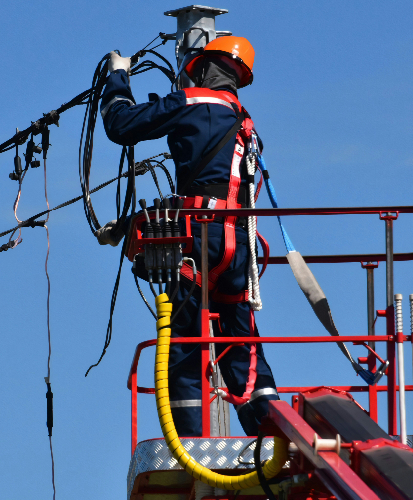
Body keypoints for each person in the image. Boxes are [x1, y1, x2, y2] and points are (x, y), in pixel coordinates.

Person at [97, 36, 279, 437]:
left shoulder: (191, 103)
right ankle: (273, 432)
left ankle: (194, 444)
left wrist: (117, 76)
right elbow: (218, 188)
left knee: (185, 347)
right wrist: (129, 226)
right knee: (243, 347)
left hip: (198, 242)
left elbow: (121, 125)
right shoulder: (245, 123)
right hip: (237, 249)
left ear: (199, 68)